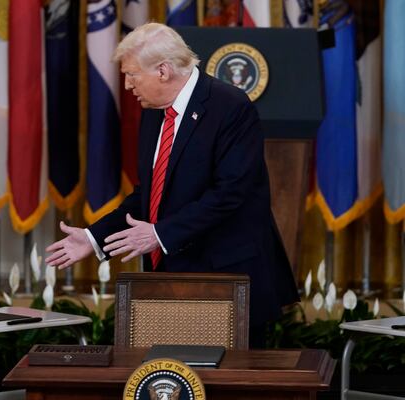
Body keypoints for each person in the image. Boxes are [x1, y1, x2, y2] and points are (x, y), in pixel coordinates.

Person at [46, 22, 299, 347]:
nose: (127, 85)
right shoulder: (154, 113)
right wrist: (95, 237)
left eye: (132, 74)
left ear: (163, 70)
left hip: (226, 279)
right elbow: (149, 195)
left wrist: (159, 234)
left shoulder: (230, 107)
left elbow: (230, 193)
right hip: (171, 279)